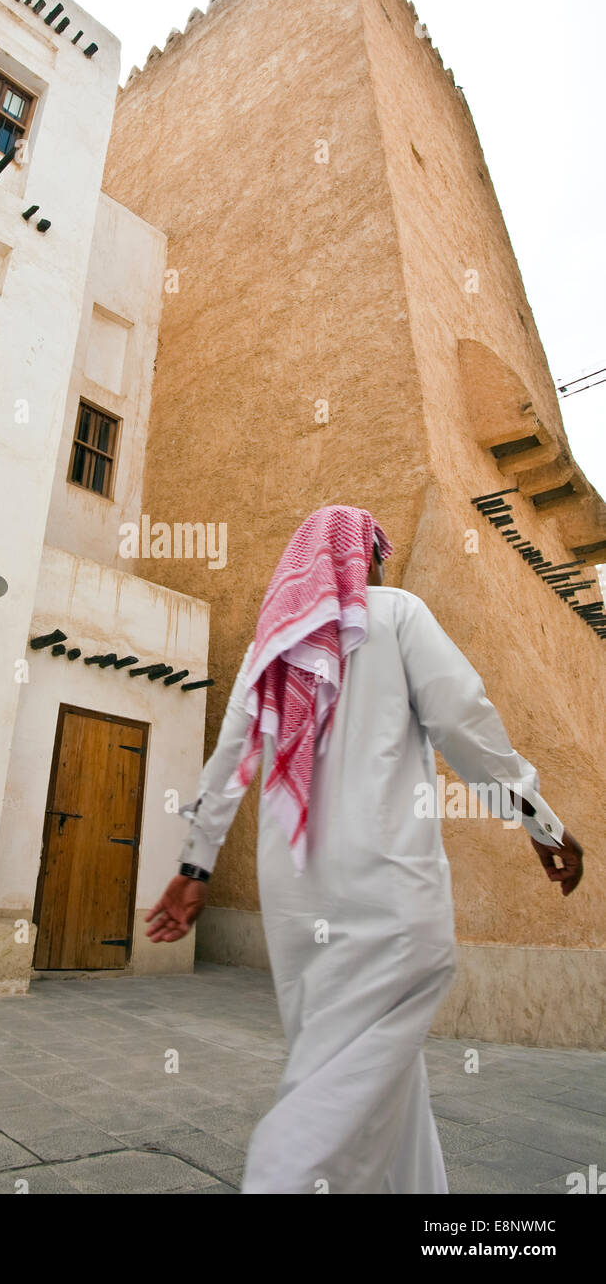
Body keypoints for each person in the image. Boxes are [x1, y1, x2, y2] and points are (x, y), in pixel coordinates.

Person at [145, 505, 584, 1194]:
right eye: (377, 551)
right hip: (389, 890)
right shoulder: (396, 613)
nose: (378, 564)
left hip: (294, 903)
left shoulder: (271, 649)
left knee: (376, 1072)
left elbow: (227, 768)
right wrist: (540, 822)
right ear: (364, 556)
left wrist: (195, 868)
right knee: (341, 1086)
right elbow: (466, 723)